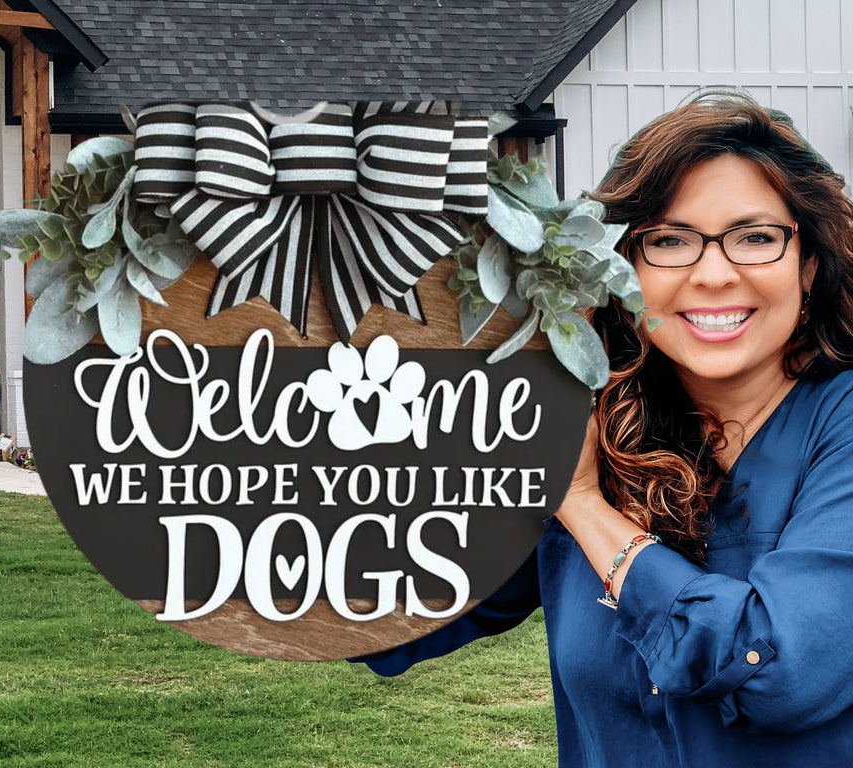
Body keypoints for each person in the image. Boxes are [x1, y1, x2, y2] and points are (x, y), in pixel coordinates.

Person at [355, 91, 853, 766]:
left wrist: (583, 505)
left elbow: (779, 675)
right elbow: (387, 617)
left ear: (809, 264)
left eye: (755, 237)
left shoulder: (837, 428)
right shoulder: (598, 427)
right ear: (620, 272)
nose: (713, 274)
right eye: (669, 241)